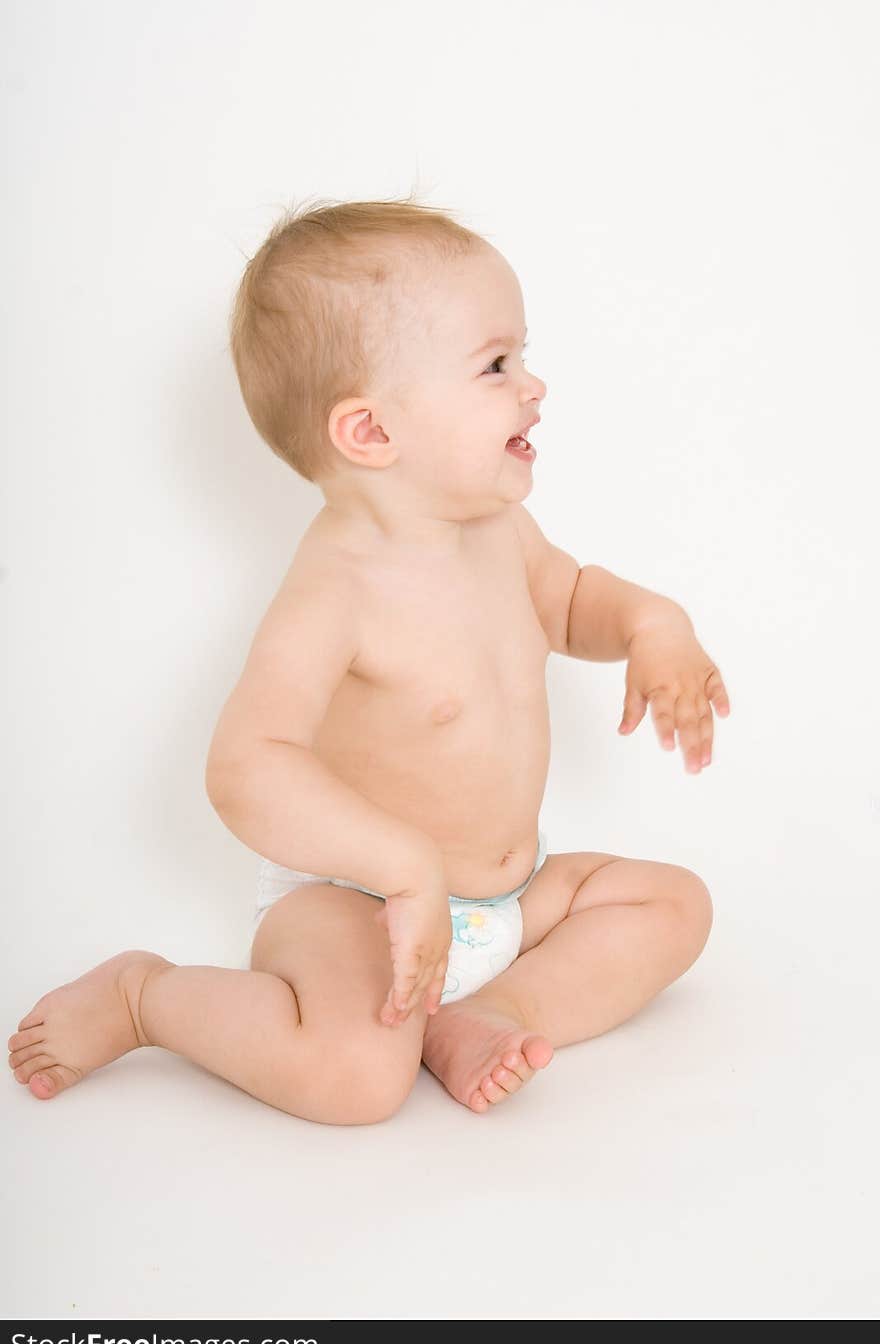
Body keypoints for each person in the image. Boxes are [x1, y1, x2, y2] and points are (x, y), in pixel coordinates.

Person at [8, 197, 728, 1123]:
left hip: (510, 892)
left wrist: (653, 625)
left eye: (523, 357)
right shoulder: (335, 589)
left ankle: (488, 1012)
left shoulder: (501, 529)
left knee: (674, 906)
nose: (534, 387)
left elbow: (574, 598)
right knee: (354, 1081)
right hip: (358, 905)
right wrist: (401, 869)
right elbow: (244, 768)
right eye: (496, 365)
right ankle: (145, 998)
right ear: (372, 433)